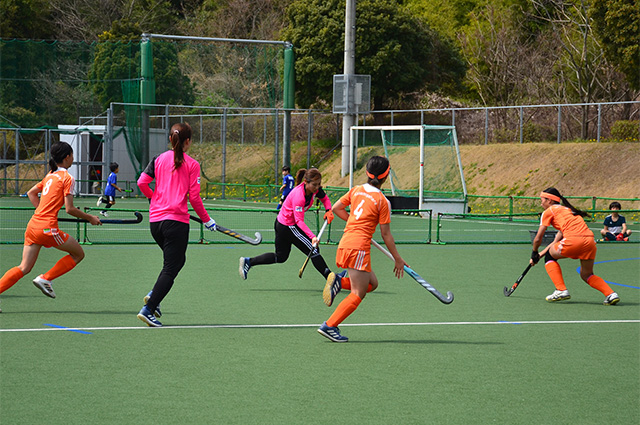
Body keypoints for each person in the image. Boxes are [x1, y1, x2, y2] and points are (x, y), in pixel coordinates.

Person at [0, 141, 102, 312]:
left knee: (23, 267)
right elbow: (69, 209)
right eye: (72, 155)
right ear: (67, 157)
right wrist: (90, 217)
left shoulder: (50, 175)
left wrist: (42, 210)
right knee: (78, 254)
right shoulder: (67, 178)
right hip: (47, 228)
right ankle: (46, 278)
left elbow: (32, 193)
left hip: (33, 225)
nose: (73, 158)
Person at [318, 156, 408, 342]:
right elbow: (386, 235)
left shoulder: (356, 190)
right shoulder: (383, 201)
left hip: (345, 244)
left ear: (367, 172)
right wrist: (398, 259)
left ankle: (338, 282)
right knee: (358, 293)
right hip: (358, 248)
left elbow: (336, 207)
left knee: (372, 284)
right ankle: (330, 325)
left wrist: (354, 221)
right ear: (386, 175)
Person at [136, 122, 217, 327]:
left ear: (170, 139)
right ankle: (149, 308)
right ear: (187, 141)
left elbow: (141, 183)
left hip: (156, 223)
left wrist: (155, 199)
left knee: (176, 262)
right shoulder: (192, 164)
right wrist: (207, 220)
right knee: (171, 267)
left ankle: (155, 294)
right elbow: (195, 198)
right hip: (176, 224)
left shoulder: (158, 159)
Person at [239, 168, 337, 287]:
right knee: (314, 249)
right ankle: (331, 279)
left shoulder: (314, 190)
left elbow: (325, 198)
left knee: (280, 257)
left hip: (281, 223)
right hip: (287, 226)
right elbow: (299, 221)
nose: (317, 187)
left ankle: (249, 262)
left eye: (319, 184)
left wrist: (328, 210)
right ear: (305, 182)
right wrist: (312, 237)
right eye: (314, 185)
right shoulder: (299, 196)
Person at [530, 187, 619, 305]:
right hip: (590, 242)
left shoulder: (549, 211)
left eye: (542, 200)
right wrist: (539, 255)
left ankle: (561, 290)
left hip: (573, 241)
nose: (541, 203)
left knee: (550, 258)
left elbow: (537, 238)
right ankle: (611, 294)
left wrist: (534, 252)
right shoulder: (569, 211)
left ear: (549, 201)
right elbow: (555, 242)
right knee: (586, 274)